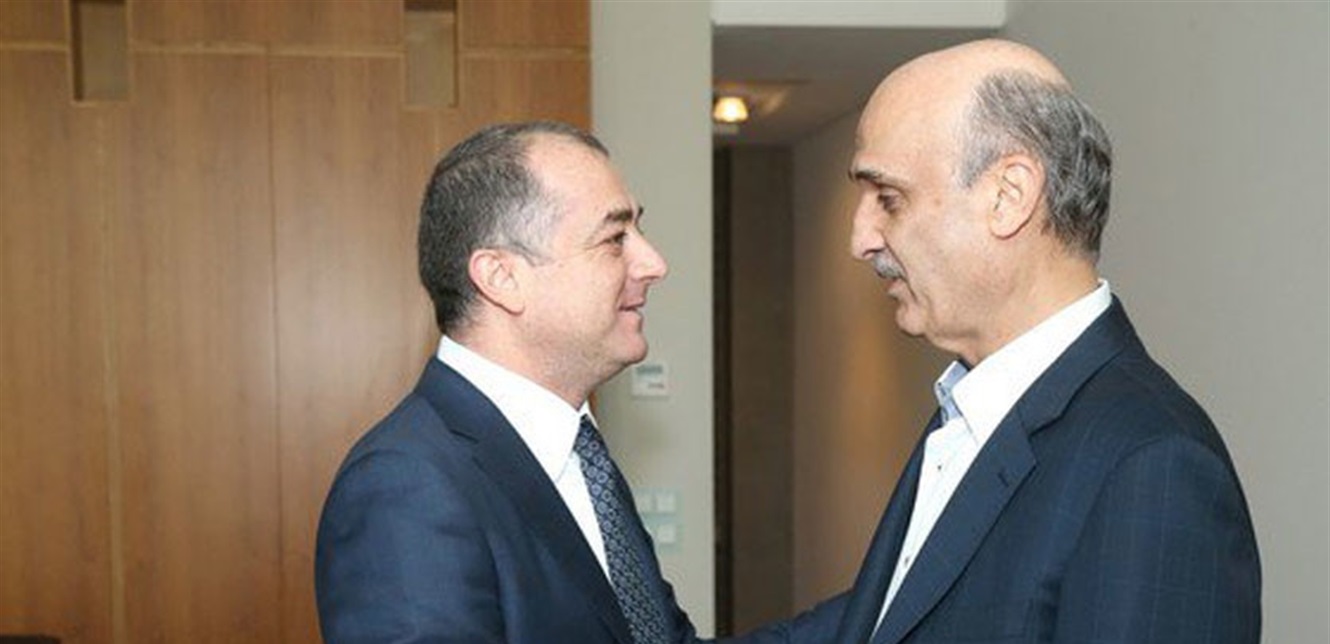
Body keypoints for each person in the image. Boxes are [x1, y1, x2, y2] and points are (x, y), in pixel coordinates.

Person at [756, 39, 1262, 643]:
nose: (859, 239)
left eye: (888, 198)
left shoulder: (1151, 466)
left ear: (1008, 196)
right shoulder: (973, 416)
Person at [315, 121, 695, 643]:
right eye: (614, 238)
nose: (654, 263)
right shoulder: (405, 487)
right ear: (501, 278)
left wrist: (827, 617)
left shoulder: (583, 458)